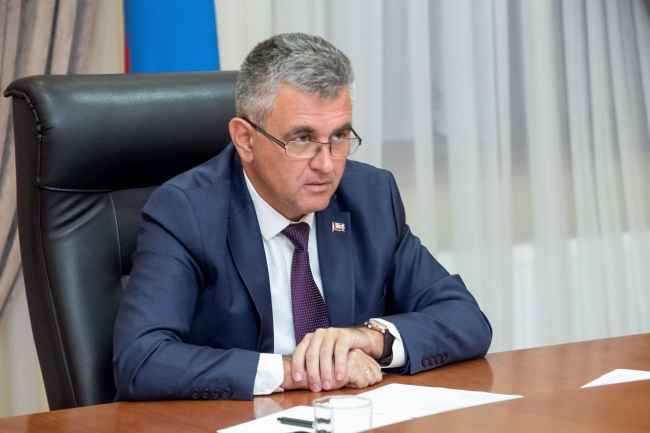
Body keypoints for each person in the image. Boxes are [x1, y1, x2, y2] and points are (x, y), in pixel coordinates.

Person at [113, 33, 491, 402]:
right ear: (245, 139)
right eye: (302, 140)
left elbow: (466, 319)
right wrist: (296, 371)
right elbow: (141, 360)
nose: (326, 165)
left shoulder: (371, 197)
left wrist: (370, 339)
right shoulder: (185, 211)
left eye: (339, 137)